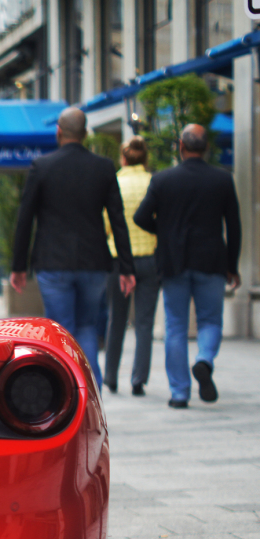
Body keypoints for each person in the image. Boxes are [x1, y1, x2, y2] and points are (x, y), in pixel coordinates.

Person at [10, 107, 135, 386]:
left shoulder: (41, 166)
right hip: (93, 263)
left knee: (60, 332)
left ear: (58, 132)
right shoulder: (103, 167)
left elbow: (25, 218)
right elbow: (118, 219)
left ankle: (67, 395)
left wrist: (18, 266)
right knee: (88, 328)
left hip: (53, 263)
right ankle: (93, 393)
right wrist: (127, 267)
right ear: (86, 134)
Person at [133, 124, 241, 408]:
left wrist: (165, 230)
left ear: (181, 145)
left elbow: (140, 217)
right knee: (210, 320)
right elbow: (234, 225)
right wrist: (233, 265)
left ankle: (179, 393)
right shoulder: (222, 179)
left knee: (176, 326)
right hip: (212, 260)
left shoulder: (163, 179)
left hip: (173, 261)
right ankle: (204, 359)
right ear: (206, 148)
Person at [103, 137, 161, 396]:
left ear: (123, 158)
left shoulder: (114, 182)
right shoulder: (153, 182)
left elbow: (106, 224)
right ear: (145, 158)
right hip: (150, 257)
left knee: (117, 318)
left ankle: (111, 376)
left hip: (119, 260)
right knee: (145, 322)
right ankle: (138, 379)